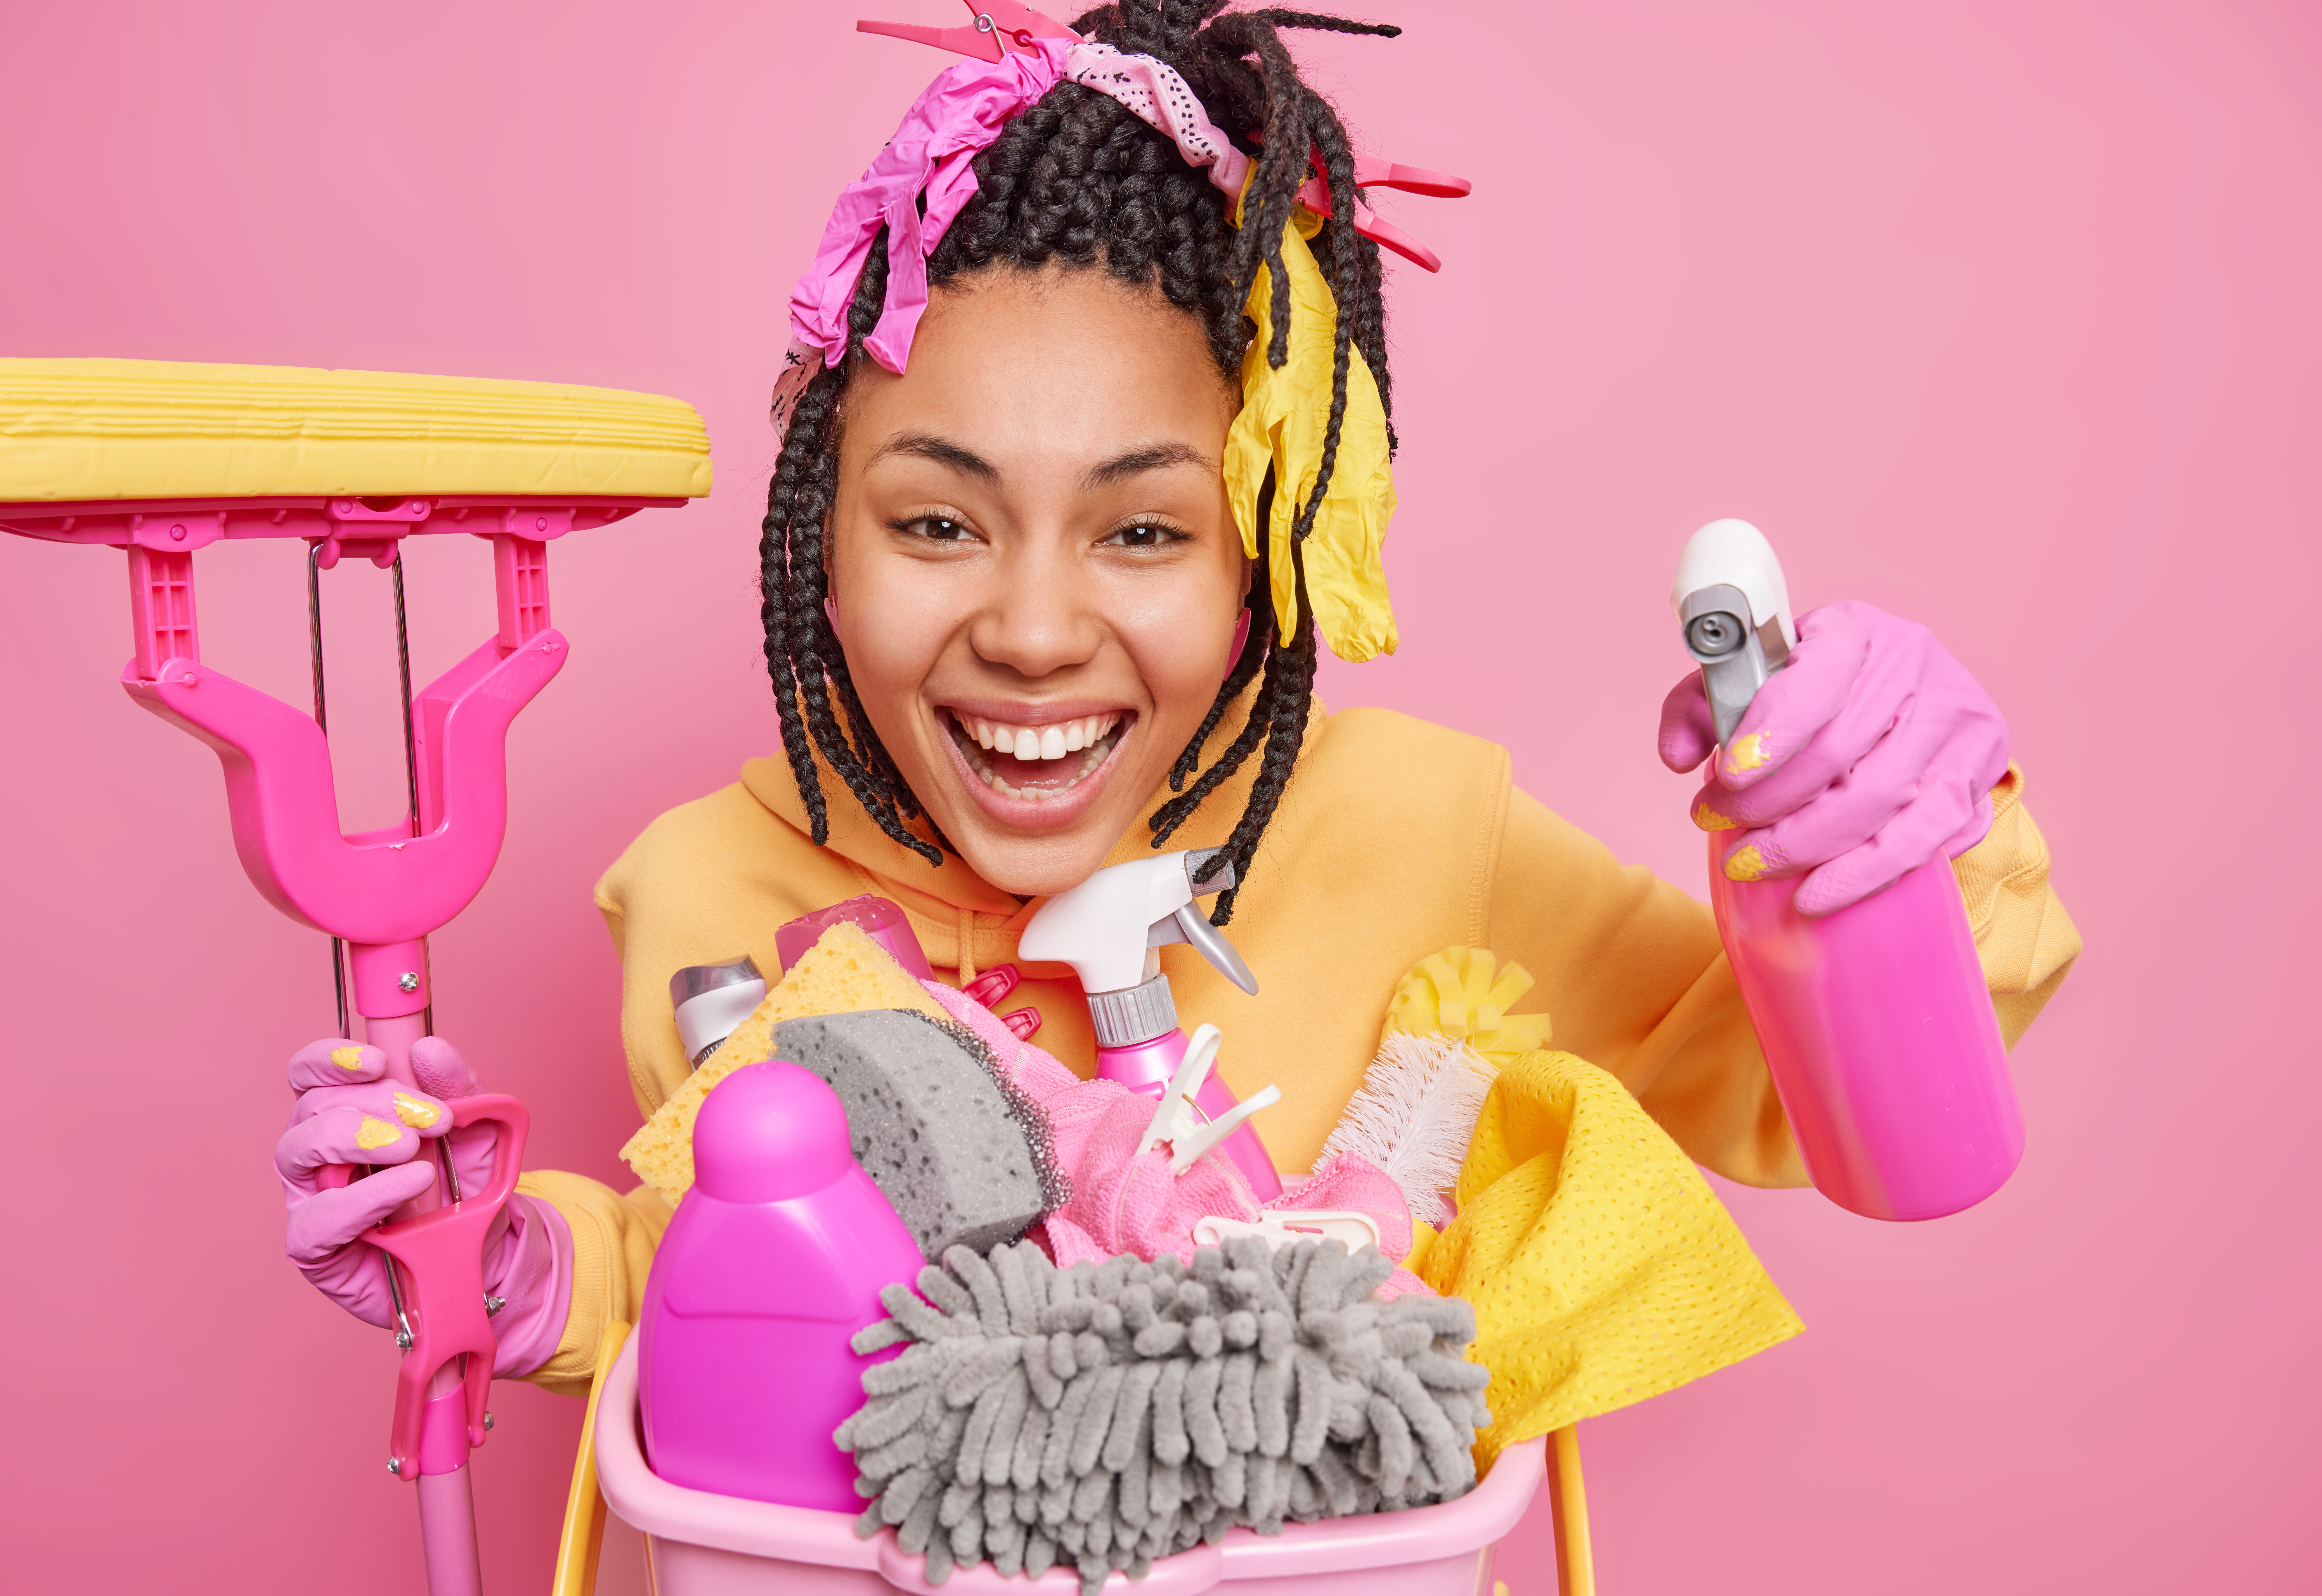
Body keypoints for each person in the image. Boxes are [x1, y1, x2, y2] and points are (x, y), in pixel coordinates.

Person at [272, 1, 2080, 1393]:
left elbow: (1823, 1113)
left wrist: (1897, 844)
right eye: (934, 520)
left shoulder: (1421, 843)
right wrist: (517, 1271)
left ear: (1267, 551)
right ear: (819, 526)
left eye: (1145, 525)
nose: (1037, 629)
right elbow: (723, 1279)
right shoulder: (705, 890)